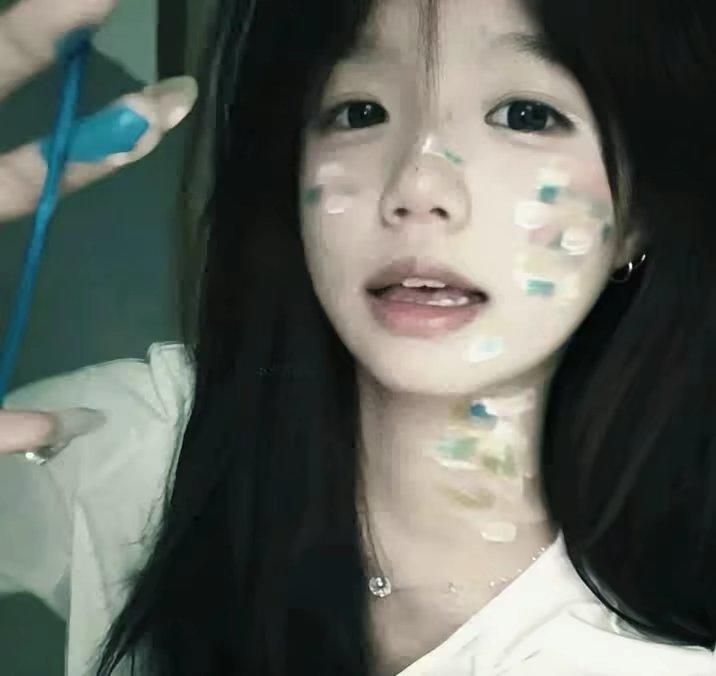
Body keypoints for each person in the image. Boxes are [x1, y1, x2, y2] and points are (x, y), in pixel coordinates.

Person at [1, 0, 715, 673]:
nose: (417, 186)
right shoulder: (143, 444)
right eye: (359, 111)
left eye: (525, 114)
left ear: (635, 215)